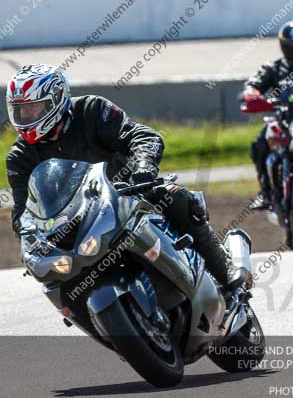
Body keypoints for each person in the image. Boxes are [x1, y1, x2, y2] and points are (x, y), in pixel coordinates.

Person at [5, 64, 239, 292]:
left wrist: (144, 166)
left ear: (56, 98)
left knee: (177, 198)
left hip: (127, 195)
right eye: (20, 109)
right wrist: (29, 235)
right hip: (73, 225)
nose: (25, 116)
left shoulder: (92, 110)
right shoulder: (19, 157)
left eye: (33, 108)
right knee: (53, 277)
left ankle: (225, 272)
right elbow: (21, 210)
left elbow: (140, 136)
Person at [243, 20, 293, 210]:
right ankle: (265, 192)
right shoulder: (273, 68)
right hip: (283, 118)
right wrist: (253, 94)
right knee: (259, 144)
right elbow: (254, 84)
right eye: (292, 45)